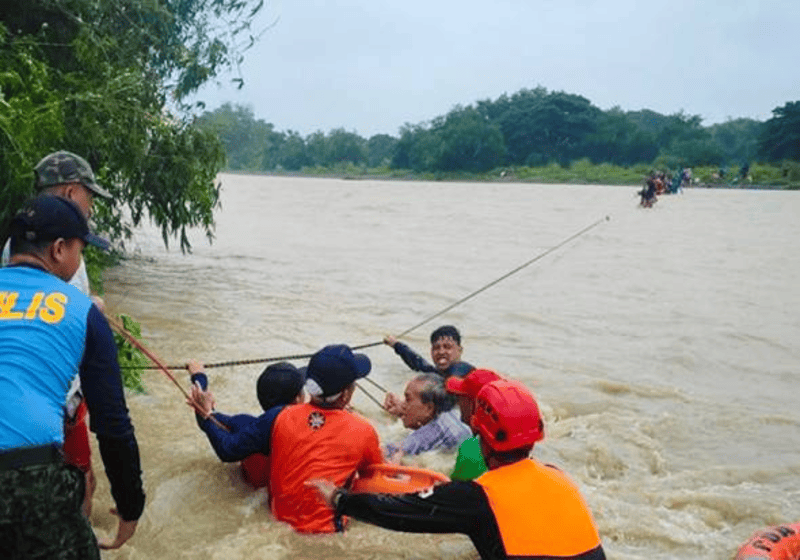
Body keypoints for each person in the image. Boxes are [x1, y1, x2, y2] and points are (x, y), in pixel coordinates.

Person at [308, 379, 605, 560]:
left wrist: (338, 499)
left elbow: (397, 512)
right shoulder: (561, 477)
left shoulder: (478, 496)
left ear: (480, 433)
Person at [0, 195, 145, 558]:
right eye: (81, 249)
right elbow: (112, 424)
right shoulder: (82, 312)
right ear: (60, 249)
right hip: (25, 475)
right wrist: (130, 506)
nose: (80, 260)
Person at [1, 150, 113, 518]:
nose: (92, 207)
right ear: (69, 192)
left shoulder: (20, 246)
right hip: (57, 399)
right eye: (89, 195)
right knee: (75, 484)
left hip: (41, 399)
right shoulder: (57, 247)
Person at [268, 344, 384, 533]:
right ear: (346, 394)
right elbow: (372, 478)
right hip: (327, 531)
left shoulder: (283, 416)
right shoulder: (363, 429)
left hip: (279, 522)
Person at [185, 360, 305, 488]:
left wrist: (199, 378)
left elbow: (207, 417)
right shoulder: (307, 426)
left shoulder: (245, 425)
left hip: (251, 489)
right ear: (298, 399)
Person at [383, 325, 474, 416]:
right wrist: (396, 344)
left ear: (460, 350)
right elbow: (418, 363)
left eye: (447, 347)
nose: (441, 352)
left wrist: (404, 408)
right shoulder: (439, 374)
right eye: (436, 348)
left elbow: (444, 401)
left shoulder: (463, 371)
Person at [384, 373, 471, 463]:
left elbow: (395, 450)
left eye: (408, 399)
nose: (403, 404)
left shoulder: (435, 429)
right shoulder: (453, 414)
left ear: (429, 408)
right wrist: (402, 414)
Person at [445, 368, 503, 481]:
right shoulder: (514, 445)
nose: (458, 402)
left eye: (461, 397)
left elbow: (455, 489)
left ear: (473, 404)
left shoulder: (471, 449)